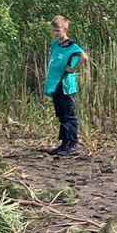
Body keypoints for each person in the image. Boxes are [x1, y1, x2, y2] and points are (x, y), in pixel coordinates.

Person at [44, 14, 86, 156]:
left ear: (65, 29)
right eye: (54, 31)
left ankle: (73, 144)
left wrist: (72, 69)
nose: (56, 33)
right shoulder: (55, 45)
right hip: (55, 83)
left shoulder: (71, 45)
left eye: (58, 30)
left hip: (66, 85)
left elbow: (83, 56)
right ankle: (64, 143)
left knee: (70, 115)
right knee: (61, 115)